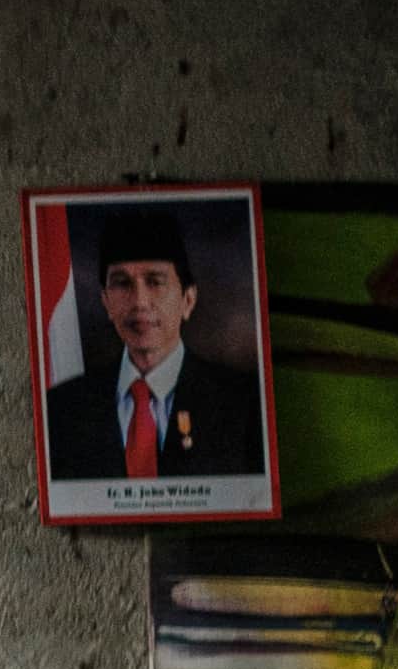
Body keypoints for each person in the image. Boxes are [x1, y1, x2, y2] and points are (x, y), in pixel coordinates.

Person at [43, 204, 264, 483]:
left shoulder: (244, 403)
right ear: (106, 302)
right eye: (122, 283)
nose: (139, 302)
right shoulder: (62, 408)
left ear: (188, 300)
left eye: (155, 281)